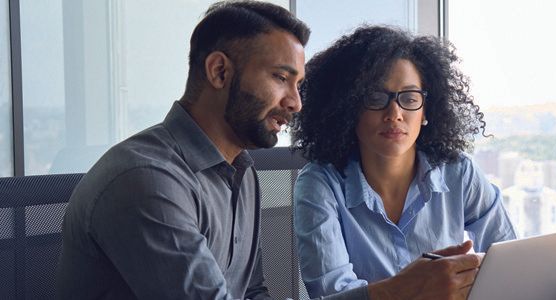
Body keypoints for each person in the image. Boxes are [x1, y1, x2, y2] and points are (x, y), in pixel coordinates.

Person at [56, 2, 481, 299]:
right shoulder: (147, 181)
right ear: (219, 71)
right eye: (281, 78)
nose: (296, 102)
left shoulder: (239, 169)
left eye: (298, 85)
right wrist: (399, 293)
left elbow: (253, 292)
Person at [291, 25, 517, 298]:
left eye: (409, 98)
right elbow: (331, 293)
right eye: (376, 97)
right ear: (349, 108)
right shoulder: (319, 184)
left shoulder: (459, 172)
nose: (395, 113)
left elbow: (509, 260)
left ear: (425, 111)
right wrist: (412, 288)